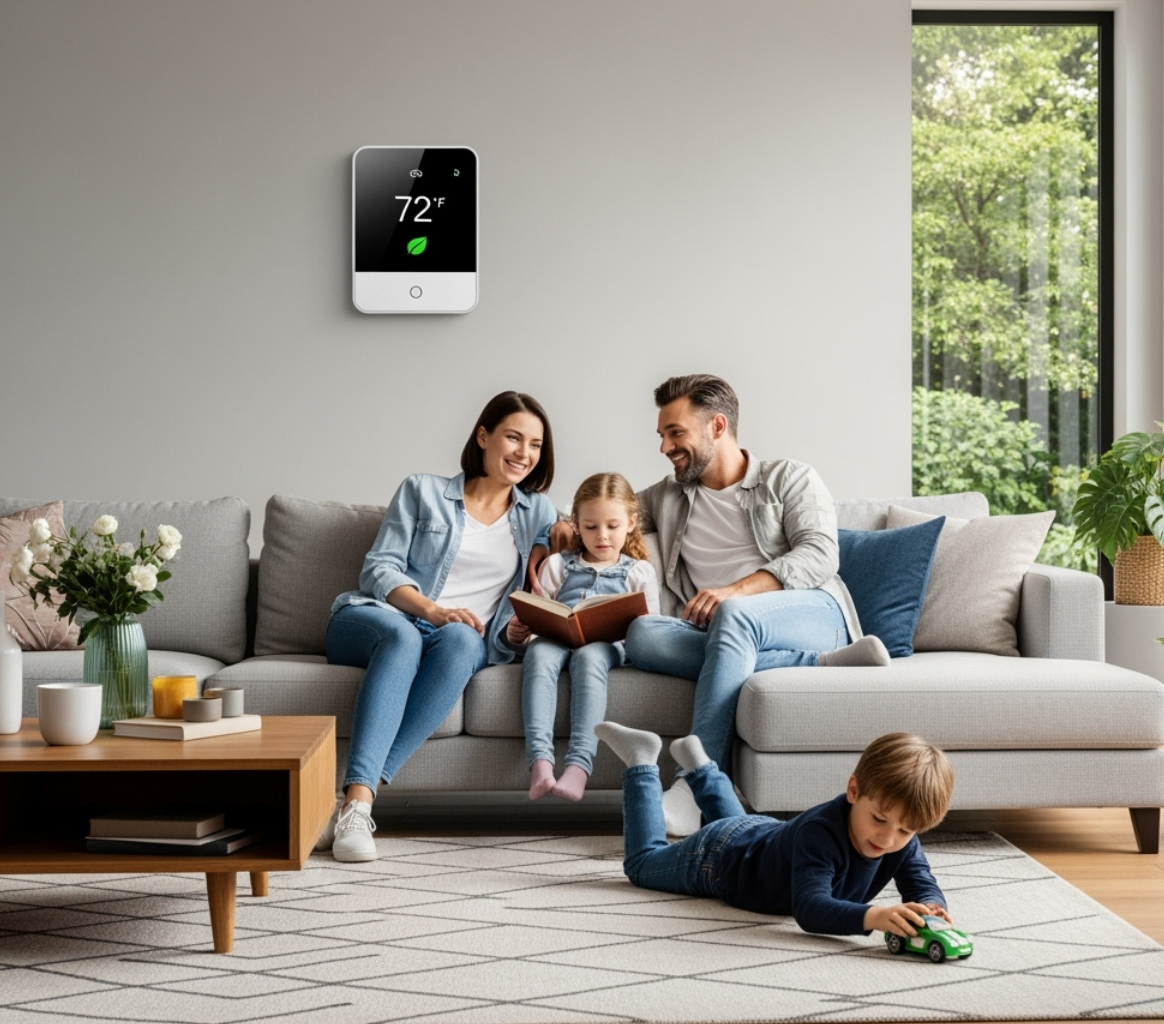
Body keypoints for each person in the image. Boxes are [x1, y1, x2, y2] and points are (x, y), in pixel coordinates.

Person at [624, 373, 891, 835]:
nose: (665, 447)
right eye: (662, 435)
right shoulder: (667, 496)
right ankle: (820, 664)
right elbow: (606, 510)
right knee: (640, 634)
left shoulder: (788, 478)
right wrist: (561, 528)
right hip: (721, 633)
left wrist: (734, 592)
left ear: (718, 426)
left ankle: (693, 785)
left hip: (808, 611)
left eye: (675, 433)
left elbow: (819, 555)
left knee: (733, 616)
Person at [320, 391, 559, 862]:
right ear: (484, 436)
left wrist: (516, 629)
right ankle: (358, 803)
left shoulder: (540, 514)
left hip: (458, 637)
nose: (523, 453)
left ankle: (354, 802)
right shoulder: (422, 490)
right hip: (380, 619)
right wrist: (431, 610)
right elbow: (379, 569)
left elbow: (543, 581)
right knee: (405, 635)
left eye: (535, 444)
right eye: (513, 437)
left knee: (463, 642)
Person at [594, 724, 955, 936]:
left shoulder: (901, 840)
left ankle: (700, 767)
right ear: (854, 791)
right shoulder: (822, 835)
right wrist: (873, 916)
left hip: (760, 834)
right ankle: (641, 760)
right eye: (879, 820)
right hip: (718, 859)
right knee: (642, 865)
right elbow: (810, 908)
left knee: (739, 829)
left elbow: (921, 881)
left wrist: (931, 907)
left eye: (906, 830)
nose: (888, 839)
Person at [513, 472, 660, 802]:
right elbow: (539, 613)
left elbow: (651, 630)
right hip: (556, 638)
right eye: (591, 527)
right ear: (576, 525)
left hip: (607, 646)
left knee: (589, 656)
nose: (602, 536)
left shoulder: (638, 571)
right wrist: (520, 632)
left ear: (631, 523)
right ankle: (540, 764)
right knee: (539, 654)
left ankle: (578, 768)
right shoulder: (557, 565)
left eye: (612, 526)